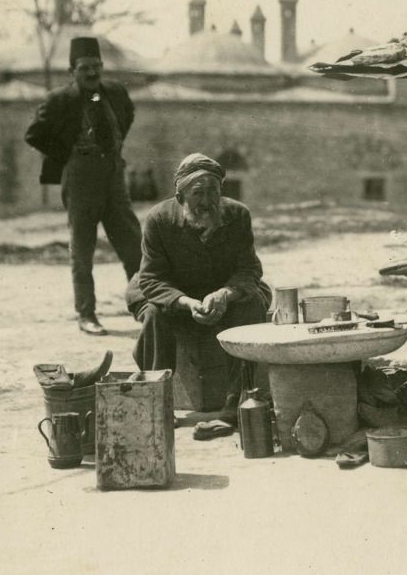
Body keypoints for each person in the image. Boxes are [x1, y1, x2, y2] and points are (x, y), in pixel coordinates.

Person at [127, 153, 272, 420]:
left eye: (213, 192)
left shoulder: (238, 215)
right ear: (180, 196)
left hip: (221, 295)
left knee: (252, 303)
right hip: (174, 296)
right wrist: (188, 303)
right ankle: (157, 399)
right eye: (198, 193)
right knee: (154, 314)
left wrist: (225, 294)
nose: (206, 202)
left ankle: (238, 398)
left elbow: (249, 269)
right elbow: (151, 279)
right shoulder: (159, 219)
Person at [25, 36, 142, 335]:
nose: (92, 73)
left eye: (97, 66)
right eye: (84, 67)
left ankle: (144, 308)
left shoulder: (115, 93)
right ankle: (86, 314)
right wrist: (67, 154)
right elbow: (34, 134)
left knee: (133, 246)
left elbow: (127, 117)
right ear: (72, 71)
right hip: (80, 182)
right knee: (83, 250)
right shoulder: (59, 100)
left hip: (114, 179)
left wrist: (110, 150)